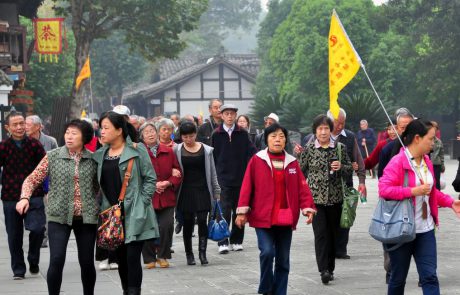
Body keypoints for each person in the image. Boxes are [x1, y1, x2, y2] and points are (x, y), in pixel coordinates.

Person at [17, 119, 99, 295]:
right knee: (56, 259)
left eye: (74, 133)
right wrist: (25, 197)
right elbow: (32, 179)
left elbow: (101, 187)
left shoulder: (93, 159)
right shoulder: (53, 156)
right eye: (67, 132)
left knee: (86, 261)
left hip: (86, 217)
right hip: (58, 215)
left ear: (84, 137)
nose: (69, 137)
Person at [378, 119, 460, 294]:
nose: (433, 142)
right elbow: (384, 189)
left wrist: (450, 202)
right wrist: (412, 191)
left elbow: (430, 192)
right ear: (417, 138)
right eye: (430, 139)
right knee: (398, 278)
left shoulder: (426, 162)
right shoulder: (398, 162)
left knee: (430, 276)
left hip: (426, 230)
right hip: (401, 230)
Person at [235, 123, 316, 295]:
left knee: (283, 260)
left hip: (285, 218)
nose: (277, 139)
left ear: (285, 139)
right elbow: (247, 186)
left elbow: (302, 187)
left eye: (281, 136)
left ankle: (280, 292)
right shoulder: (257, 160)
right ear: (266, 140)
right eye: (273, 136)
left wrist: (308, 208)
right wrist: (242, 212)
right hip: (263, 217)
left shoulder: (292, 162)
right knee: (266, 252)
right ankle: (266, 288)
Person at [93, 111, 159, 295]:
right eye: (101, 128)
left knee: (131, 257)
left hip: (134, 213)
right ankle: (126, 290)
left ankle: (134, 291)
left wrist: (143, 202)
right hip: (112, 215)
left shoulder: (137, 149)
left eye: (106, 128)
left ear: (119, 130)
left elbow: (150, 179)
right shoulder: (100, 155)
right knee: (121, 258)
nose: (102, 132)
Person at [299, 114, 352, 284]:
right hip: (316, 201)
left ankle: (330, 267)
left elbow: (349, 169)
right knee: (321, 235)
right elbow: (301, 172)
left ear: (331, 130)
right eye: (320, 129)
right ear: (315, 131)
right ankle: (323, 270)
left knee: (333, 235)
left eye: (326, 128)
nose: (323, 132)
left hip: (336, 199)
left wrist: (341, 167)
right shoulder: (309, 150)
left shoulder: (339, 148)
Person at [0, 111, 46, 280]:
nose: (20, 127)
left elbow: (45, 168)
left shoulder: (35, 145)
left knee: (38, 228)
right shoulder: (3, 146)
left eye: (22, 123)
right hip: (11, 197)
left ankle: (33, 260)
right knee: (14, 235)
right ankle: (18, 269)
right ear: (8, 128)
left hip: (34, 195)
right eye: (15, 124)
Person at [211, 103, 256, 254]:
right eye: (227, 113)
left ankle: (237, 240)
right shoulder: (216, 134)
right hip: (222, 178)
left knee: (240, 209)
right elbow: (213, 157)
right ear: (221, 115)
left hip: (240, 178)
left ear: (236, 115)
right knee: (223, 210)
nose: (229, 116)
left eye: (232, 113)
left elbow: (251, 153)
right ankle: (222, 241)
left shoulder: (242, 133)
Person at [174, 121, 221, 265]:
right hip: (185, 190)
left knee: (202, 221)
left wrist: (216, 190)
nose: (189, 139)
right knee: (187, 223)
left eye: (191, 136)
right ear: (181, 136)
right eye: (185, 137)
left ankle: (202, 253)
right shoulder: (176, 150)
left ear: (196, 134)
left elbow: (212, 172)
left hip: (203, 189)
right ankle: (189, 254)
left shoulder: (206, 150)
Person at [139, 122, 182, 269]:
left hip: (166, 195)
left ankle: (163, 255)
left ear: (157, 133)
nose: (150, 134)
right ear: (142, 137)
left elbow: (177, 172)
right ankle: (149, 258)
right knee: (147, 227)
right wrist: (153, 185)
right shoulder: (139, 153)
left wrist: (168, 182)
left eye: (152, 131)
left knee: (166, 226)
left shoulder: (168, 151)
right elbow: (134, 176)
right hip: (147, 197)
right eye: (146, 132)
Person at [326, 108, 366, 260]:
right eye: (337, 123)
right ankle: (330, 248)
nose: (340, 126)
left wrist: (361, 181)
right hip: (327, 187)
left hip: (346, 184)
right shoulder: (322, 136)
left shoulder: (349, 137)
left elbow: (358, 160)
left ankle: (341, 249)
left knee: (346, 216)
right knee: (330, 219)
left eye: (343, 123)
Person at [25, 114, 59, 248]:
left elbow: (57, 161)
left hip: (47, 182)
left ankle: (44, 238)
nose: (25, 127)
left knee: (46, 210)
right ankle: (35, 232)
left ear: (38, 127)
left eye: (28, 125)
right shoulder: (22, 141)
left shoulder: (50, 141)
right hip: (29, 181)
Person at [430, 121, 444, 190]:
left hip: (436, 164)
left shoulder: (438, 141)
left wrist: (442, 165)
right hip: (427, 164)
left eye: (435, 129)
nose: (434, 131)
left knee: (437, 182)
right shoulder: (424, 139)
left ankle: (438, 197)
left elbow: (441, 154)